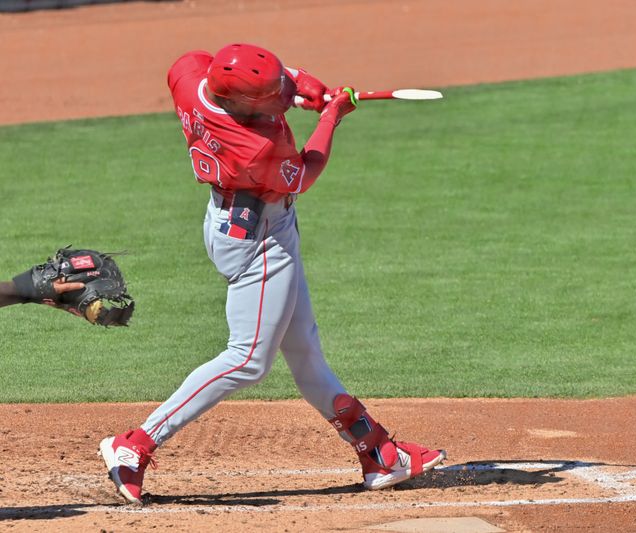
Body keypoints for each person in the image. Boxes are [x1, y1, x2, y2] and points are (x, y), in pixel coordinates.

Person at [98, 43, 446, 505]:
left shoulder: (191, 78)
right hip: (260, 240)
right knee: (248, 360)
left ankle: (378, 452)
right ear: (240, 107)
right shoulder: (258, 147)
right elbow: (305, 173)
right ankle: (137, 443)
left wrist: (304, 85)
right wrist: (330, 117)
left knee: (303, 350)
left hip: (233, 218)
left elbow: (213, 64)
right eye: (269, 98)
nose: (280, 97)